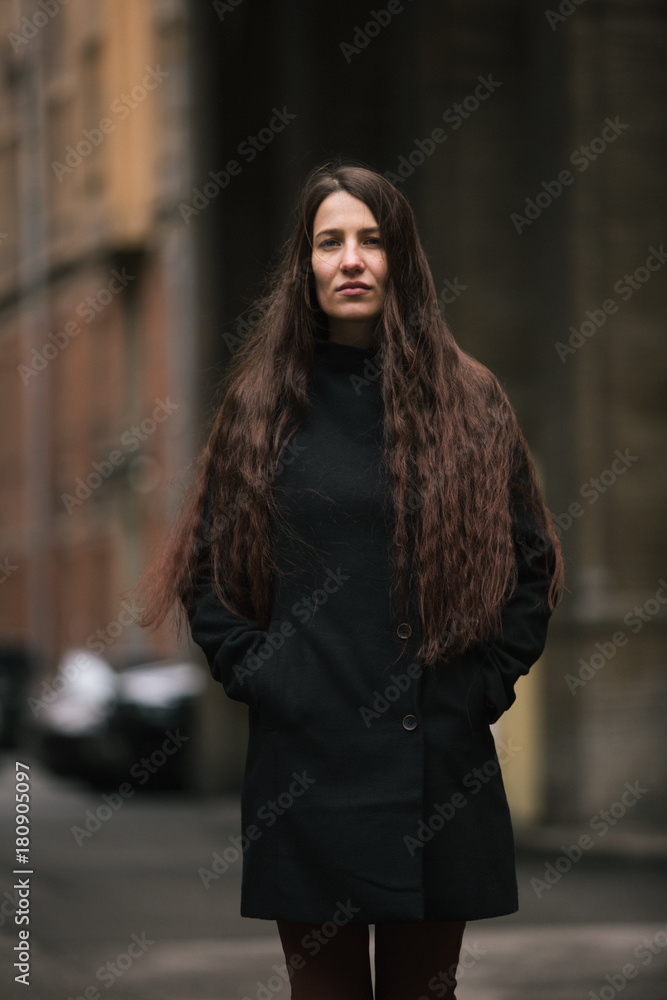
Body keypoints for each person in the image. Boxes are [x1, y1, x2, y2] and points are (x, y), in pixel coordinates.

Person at [132, 161, 564, 999]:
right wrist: (271, 678)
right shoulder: (261, 408)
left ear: (400, 259)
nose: (351, 259)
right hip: (308, 767)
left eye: (371, 240)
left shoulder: (469, 401)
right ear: (306, 267)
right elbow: (209, 579)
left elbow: (530, 566)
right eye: (329, 242)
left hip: (437, 770)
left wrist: (476, 690)